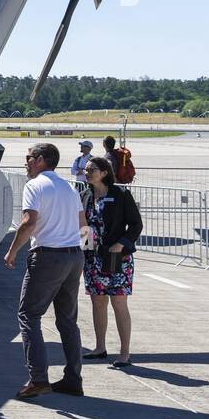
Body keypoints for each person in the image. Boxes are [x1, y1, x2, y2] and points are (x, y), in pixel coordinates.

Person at [4, 143, 88, 398]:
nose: (26, 162)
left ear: (40, 160)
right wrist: (82, 255)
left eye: (29, 158)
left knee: (29, 315)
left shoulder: (35, 185)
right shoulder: (69, 187)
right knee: (67, 320)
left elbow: (29, 222)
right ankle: (73, 378)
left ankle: (38, 379)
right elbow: (84, 226)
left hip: (48, 256)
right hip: (74, 255)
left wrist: (12, 250)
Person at [81, 156, 142, 367]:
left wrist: (122, 244)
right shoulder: (85, 196)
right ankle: (99, 347)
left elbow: (136, 225)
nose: (87, 172)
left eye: (92, 169)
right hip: (93, 258)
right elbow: (83, 227)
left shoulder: (121, 194)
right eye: (86, 169)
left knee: (118, 302)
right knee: (97, 302)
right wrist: (85, 252)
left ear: (104, 172)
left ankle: (125, 353)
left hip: (117, 256)